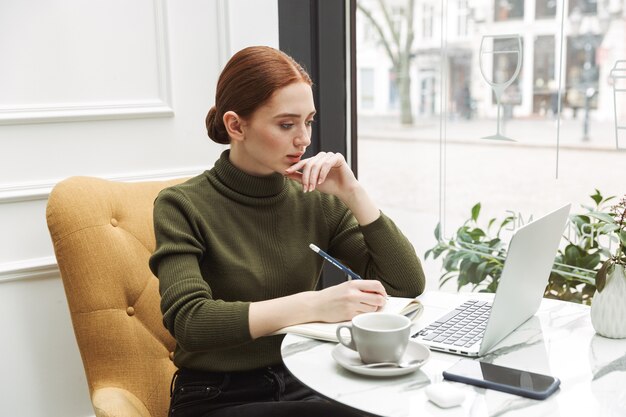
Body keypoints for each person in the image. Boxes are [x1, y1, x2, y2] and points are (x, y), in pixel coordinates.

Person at [149, 45, 426, 417]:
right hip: (217, 396)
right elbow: (190, 321)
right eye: (286, 124)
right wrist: (314, 305)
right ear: (236, 125)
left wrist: (354, 194)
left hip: (307, 379)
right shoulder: (181, 205)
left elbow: (405, 284)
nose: (304, 139)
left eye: (308, 121)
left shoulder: (316, 200)